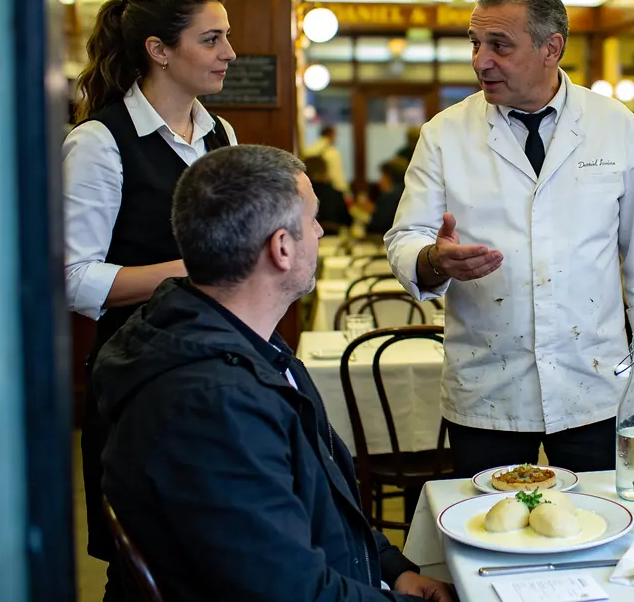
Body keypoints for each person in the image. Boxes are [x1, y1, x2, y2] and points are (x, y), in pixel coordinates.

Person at [93, 145, 453, 602]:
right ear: (282, 247)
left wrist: (394, 569)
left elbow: (324, 501)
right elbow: (292, 593)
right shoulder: (211, 404)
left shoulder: (249, 345)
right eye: (312, 220)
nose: (321, 231)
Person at [385, 0, 634, 477]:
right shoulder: (444, 134)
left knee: (607, 521)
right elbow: (404, 237)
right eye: (476, 43)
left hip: (596, 381)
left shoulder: (614, 124)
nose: (481, 61)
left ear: (552, 48)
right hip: (489, 385)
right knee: (489, 532)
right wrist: (432, 260)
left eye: (499, 45)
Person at [62, 0, 237, 598]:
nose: (229, 52)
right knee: (143, 568)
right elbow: (74, 280)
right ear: (160, 50)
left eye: (227, 37)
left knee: (216, 549)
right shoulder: (99, 142)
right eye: (211, 38)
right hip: (137, 377)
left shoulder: (221, 136)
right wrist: (206, 265)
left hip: (215, 366)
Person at [304, 155, 354, 233]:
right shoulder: (336, 194)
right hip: (334, 240)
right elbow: (348, 221)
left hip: (307, 240)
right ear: (324, 172)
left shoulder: (300, 194)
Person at [305, 123, 351, 197]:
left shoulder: (309, 150)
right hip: (329, 192)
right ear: (331, 134)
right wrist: (346, 193)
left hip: (311, 192)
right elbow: (337, 176)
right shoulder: (332, 152)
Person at [366, 156, 408, 236]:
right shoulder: (407, 194)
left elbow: (375, 228)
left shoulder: (388, 197)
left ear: (389, 177)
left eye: (382, 176)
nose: (379, 181)